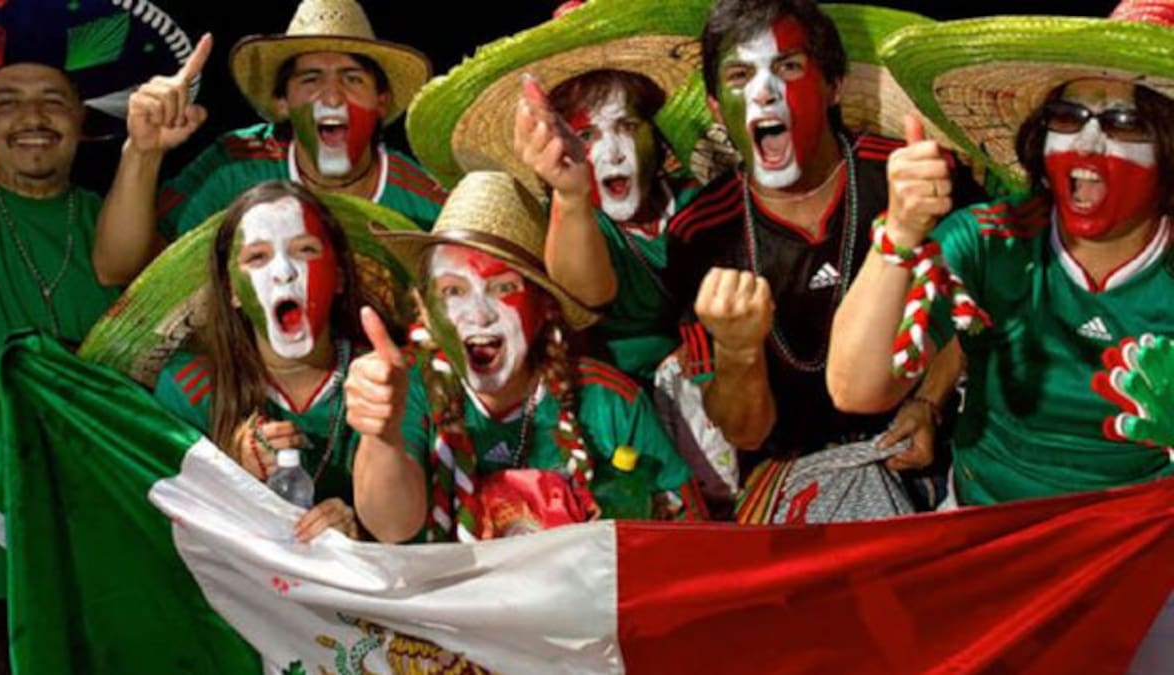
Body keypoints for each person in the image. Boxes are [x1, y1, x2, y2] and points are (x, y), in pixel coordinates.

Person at [827, 0, 1174, 506]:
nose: (1087, 142)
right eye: (1067, 116)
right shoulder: (991, 239)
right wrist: (899, 232)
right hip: (987, 521)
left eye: (1126, 122)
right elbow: (857, 388)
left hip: (1135, 537)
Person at [661, 0, 981, 521]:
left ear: (834, 85)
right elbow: (745, 431)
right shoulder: (700, 233)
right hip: (794, 475)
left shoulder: (907, 177)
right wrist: (738, 349)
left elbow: (977, 307)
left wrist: (929, 401)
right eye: (740, 75)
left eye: (788, 66)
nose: (764, 92)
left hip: (922, 453)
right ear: (718, 108)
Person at [0, 0, 194, 667]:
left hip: (103, 558)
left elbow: (133, 281)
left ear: (82, 118)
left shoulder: (114, 218)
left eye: (53, 100)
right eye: (6, 101)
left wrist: (143, 151)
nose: (33, 117)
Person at [348, 171, 702, 542]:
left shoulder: (609, 402)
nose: (479, 315)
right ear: (424, 307)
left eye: (503, 288)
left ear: (545, 304)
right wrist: (382, 436)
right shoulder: (405, 388)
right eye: (454, 291)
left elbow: (693, 538)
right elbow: (391, 527)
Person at [404, 0, 704, 381]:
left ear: (655, 132)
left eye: (627, 126)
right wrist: (570, 195)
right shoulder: (561, 225)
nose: (612, 153)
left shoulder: (698, 199)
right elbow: (586, 296)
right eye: (586, 135)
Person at [94, 0, 447, 286]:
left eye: (352, 79)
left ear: (381, 101)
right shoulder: (233, 166)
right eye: (311, 79)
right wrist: (143, 152)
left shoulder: (428, 205)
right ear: (283, 103)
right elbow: (118, 270)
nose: (332, 96)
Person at [152, 181, 425, 543]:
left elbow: (401, 529)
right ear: (232, 290)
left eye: (305, 250)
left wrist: (355, 535)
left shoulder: (386, 379)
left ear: (339, 278)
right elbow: (163, 525)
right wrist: (226, 469)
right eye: (257, 257)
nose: (284, 271)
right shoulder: (189, 387)